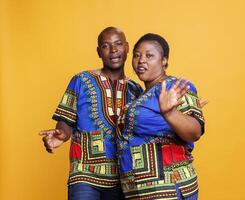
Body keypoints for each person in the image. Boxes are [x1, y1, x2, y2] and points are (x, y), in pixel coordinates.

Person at [39, 27, 143, 200]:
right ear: (98, 52)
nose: (113, 50)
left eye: (118, 44)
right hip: (84, 173)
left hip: (123, 178)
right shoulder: (81, 80)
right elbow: (65, 121)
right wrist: (62, 135)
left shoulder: (136, 90)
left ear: (127, 48)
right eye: (105, 46)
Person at [116, 33, 206, 200]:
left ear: (164, 60)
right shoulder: (138, 95)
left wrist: (170, 113)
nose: (141, 60)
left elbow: (195, 131)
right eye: (137, 55)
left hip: (167, 187)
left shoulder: (175, 87)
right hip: (138, 190)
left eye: (149, 55)